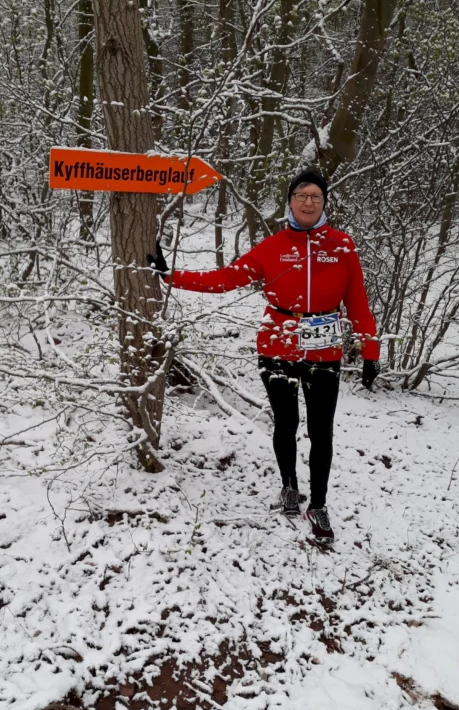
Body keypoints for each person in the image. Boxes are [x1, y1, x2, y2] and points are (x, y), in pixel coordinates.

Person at [148, 170, 380, 543]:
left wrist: (370, 351)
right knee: (285, 424)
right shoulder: (272, 247)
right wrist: (170, 275)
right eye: (301, 194)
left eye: (316, 196)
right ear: (289, 201)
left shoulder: (342, 246)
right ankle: (289, 486)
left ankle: (318, 504)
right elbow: (225, 278)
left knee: (322, 432)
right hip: (277, 346)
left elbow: (358, 303)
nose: (308, 202)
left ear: (324, 203)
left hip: (324, 351)